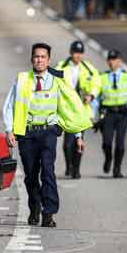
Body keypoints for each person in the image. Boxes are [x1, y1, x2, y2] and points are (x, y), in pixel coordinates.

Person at [3, 43, 92, 228]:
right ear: (31, 59)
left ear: (48, 60)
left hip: (48, 132)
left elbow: (68, 110)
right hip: (27, 133)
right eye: (36, 56)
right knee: (31, 175)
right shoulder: (22, 79)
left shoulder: (57, 81)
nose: (39, 60)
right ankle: (35, 208)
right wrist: (9, 129)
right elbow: (10, 105)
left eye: (43, 57)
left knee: (48, 172)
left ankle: (49, 213)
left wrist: (78, 135)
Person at [92, 50, 127, 178]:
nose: (111, 62)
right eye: (109, 59)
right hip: (108, 113)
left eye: (114, 59)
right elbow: (96, 97)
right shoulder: (102, 77)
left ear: (120, 61)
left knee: (120, 142)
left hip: (122, 113)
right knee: (107, 142)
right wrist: (93, 115)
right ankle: (108, 158)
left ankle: (117, 168)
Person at [54, 40, 100, 179]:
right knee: (68, 143)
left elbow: (96, 83)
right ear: (71, 53)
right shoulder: (61, 66)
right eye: (75, 53)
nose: (77, 56)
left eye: (80, 53)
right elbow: (54, 82)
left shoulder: (89, 68)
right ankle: (69, 165)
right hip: (67, 108)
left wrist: (91, 95)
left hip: (81, 108)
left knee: (79, 140)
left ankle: (76, 169)